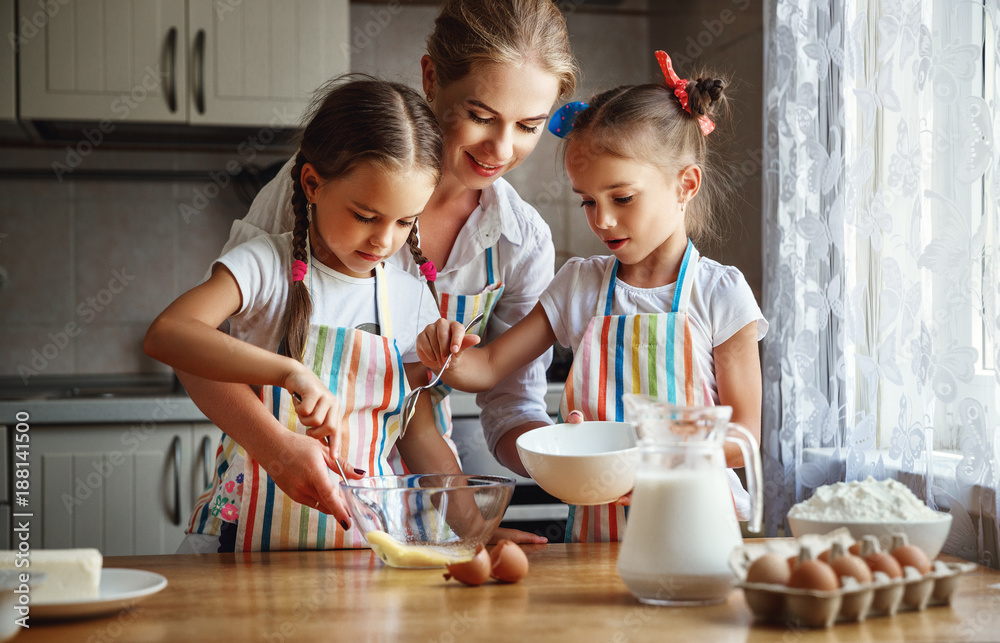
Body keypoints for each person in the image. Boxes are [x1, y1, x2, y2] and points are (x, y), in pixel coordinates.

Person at [174, 0, 577, 545]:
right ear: (432, 76)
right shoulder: (310, 193)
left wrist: (565, 460)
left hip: (393, 524)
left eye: (529, 126)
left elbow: (494, 405)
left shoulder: (519, 241)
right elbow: (196, 348)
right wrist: (276, 448)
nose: (501, 149)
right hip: (264, 499)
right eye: (480, 116)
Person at [417, 51, 768, 542]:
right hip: (597, 536)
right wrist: (443, 349)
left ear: (685, 184)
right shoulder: (580, 285)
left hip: (701, 531)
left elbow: (743, 437)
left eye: (621, 198)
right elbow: (489, 366)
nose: (601, 220)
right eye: (587, 201)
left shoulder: (720, 294)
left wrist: (649, 460)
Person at [145, 77, 462, 552]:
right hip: (240, 541)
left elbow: (418, 433)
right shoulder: (263, 266)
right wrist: (288, 371)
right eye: (365, 215)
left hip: (358, 545)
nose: (384, 241)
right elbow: (167, 335)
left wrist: (477, 527)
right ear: (313, 184)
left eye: (404, 221)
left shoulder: (412, 297)